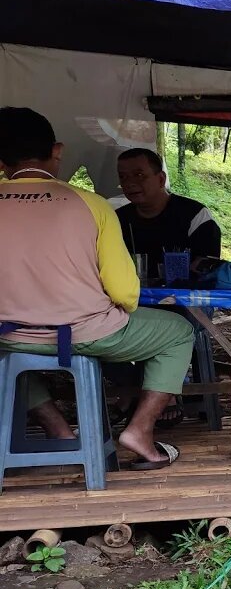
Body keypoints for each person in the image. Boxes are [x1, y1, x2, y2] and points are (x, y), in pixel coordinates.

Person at [0, 108, 194, 470]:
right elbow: (125, 292)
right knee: (179, 332)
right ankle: (140, 430)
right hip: (83, 332)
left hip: (7, 335)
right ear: (57, 151)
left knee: (4, 358)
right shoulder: (90, 204)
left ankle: (57, 427)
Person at [115, 147, 222, 279]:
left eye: (139, 175)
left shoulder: (195, 215)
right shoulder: (115, 220)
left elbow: (209, 267)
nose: (129, 183)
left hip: (184, 297)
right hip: (128, 298)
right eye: (123, 177)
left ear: (161, 179)